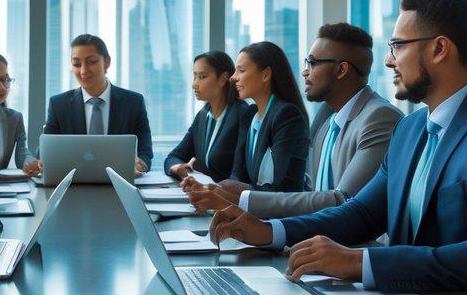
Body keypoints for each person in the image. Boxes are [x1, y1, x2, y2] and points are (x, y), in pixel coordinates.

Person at [210, 0, 467, 295]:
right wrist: (270, 231)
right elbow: (359, 214)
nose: (389, 59)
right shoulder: (409, 129)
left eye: (398, 46)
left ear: (439, 49)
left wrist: (360, 263)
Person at [185, 24, 400, 215]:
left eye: (313, 63)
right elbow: (310, 191)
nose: (305, 72)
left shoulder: (378, 118)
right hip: (313, 238)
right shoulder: (326, 119)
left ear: (341, 70)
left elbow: (342, 201)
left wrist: (240, 199)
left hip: (350, 250)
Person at [42, 34, 154, 175]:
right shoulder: (58, 104)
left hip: (120, 185)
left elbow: (145, 152)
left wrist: (140, 164)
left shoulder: (133, 103)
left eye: (91, 62)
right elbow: (45, 153)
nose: (83, 71)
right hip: (73, 186)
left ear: (107, 62)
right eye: (76, 64)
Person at [211, 41, 310, 195]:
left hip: (283, 215)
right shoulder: (249, 115)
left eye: (241, 70)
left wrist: (221, 189)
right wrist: (215, 189)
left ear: (266, 75)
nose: (233, 78)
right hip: (256, 211)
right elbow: (238, 175)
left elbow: (281, 188)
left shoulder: (287, 115)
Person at [165, 51, 248, 182]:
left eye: (202, 77)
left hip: (227, 198)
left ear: (223, 78)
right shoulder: (203, 116)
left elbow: (239, 175)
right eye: (194, 76)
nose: (194, 84)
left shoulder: (242, 114)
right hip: (205, 194)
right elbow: (174, 156)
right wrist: (177, 168)